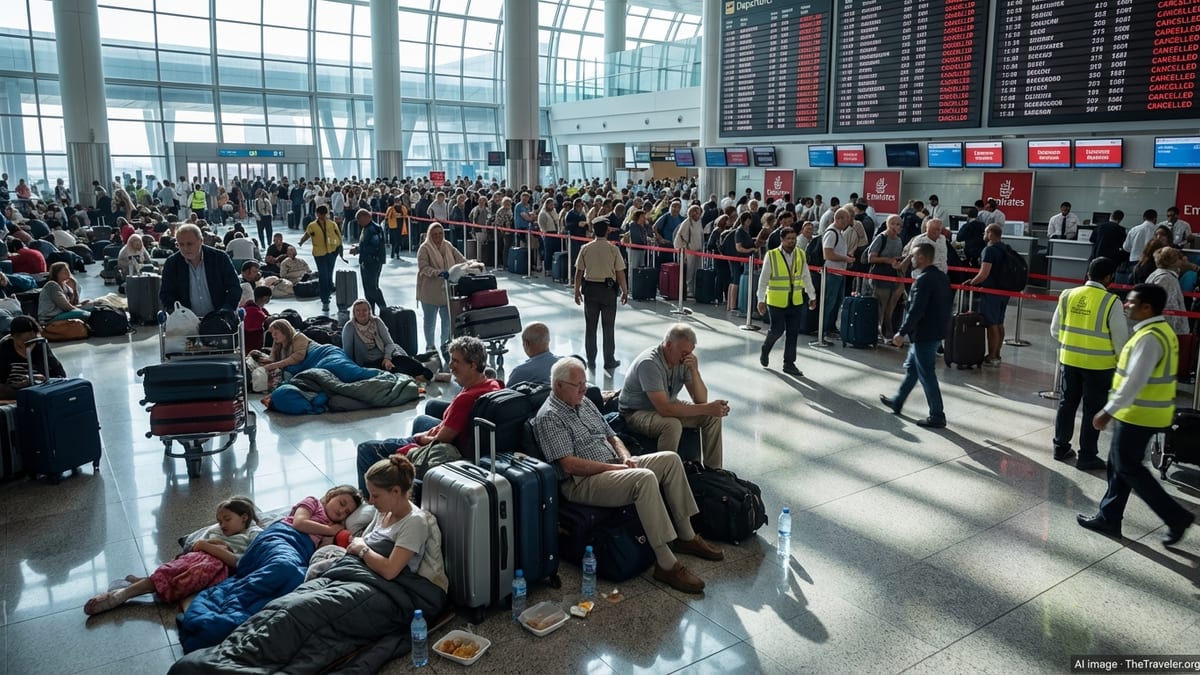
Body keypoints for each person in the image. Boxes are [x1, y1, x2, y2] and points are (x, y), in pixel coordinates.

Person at [533, 358, 722, 594]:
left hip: (613, 465)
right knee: (644, 479)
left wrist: (626, 458)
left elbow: (612, 435)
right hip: (583, 482)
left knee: (670, 461)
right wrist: (616, 469)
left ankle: (686, 534)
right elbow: (569, 465)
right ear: (559, 386)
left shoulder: (584, 403)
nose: (583, 388)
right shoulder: (549, 416)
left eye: (584, 382)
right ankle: (666, 563)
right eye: (577, 384)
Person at [1077, 284, 1195, 546]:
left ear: (1147, 307)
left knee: (1128, 467)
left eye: (1131, 302)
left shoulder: (1149, 337)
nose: (1127, 306)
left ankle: (1176, 516)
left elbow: (1135, 381)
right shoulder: (1159, 331)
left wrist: (1107, 412)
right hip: (1143, 413)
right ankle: (1109, 517)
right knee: (1119, 465)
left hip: (1138, 414)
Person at [355, 336, 502, 490]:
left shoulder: (466, 399)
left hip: (452, 447)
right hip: (464, 436)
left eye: (456, 361)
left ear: (473, 365)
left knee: (366, 448)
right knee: (421, 420)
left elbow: (442, 439)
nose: (450, 366)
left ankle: (372, 501)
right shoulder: (492, 384)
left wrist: (419, 438)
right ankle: (413, 475)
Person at [84, 496, 262, 615]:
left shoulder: (250, 534)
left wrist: (210, 547)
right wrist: (205, 544)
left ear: (244, 517)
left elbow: (239, 562)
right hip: (196, 558)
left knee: (198, 576)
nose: (222, 524)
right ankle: (121, 595)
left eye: (227, 519)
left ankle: (144, 585)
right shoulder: (215, 531)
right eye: (219, 520)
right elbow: (194, 546)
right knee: (169, 571)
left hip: (217, 567)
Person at [1050, 257, 1128, 470]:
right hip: (1099, 366)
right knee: (1092, 410)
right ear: (1108, 277)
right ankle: (1087, 456)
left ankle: (1060, 447)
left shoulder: (1067, 295)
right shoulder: (1112, 301)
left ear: (1088, 274)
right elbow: (1120, 339)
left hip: (1069, 361)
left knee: (1067, 404)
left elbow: (1055, 330)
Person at [619, 324, 727, 468]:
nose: (686, 357)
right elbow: (665, 410)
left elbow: (701, 400)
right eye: (683, 353)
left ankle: (714, 472)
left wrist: (695, 371)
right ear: (669, 345)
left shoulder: (684, 360)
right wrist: (706, 408)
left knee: (712, 416)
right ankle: (667, 472)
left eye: (690, 353)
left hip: (667, 403)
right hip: (636, 412)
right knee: (672, 425)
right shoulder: (649, 363)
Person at [880, 243, 951, 428]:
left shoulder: (924, 280)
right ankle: (898, 401)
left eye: (913, 256)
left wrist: (901, 332)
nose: (910, 259)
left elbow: (916, 310)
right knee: (913, 369)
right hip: (935, 332)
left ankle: (937, 414)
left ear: (921, 257)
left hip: (924, 334)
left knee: (926, 373)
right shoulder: (942, 277)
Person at [347, 455, 430, 580]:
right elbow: (362, 540)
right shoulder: (384, 512)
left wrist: (362, 549)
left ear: (395, 491)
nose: (370, 501)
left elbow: (390, 571)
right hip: (362, 569)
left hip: (383, 584)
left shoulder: (414, 522)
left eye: (375, 496)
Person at [756, 227, 816, 376]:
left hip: (795, 300)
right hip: (776, 300)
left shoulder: (801, 254)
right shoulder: (772, 255)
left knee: (793, 333)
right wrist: (760, 299)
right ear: (782, 240)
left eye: (794, 238)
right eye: (789, 239)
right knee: (777, 330)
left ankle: (789, 363)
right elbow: (763, 280)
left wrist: (812, 296)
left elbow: (806, 276)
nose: (792, 241)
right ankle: (766, 348)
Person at [574, 218, 628, 372]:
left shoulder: (585, 248)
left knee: (590, 327)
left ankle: (591, 360)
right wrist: (625, 290)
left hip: (590, 289)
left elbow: (579, 273)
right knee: (608, 327)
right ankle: (609, 360)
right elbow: (620, 273)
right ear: (607, 231)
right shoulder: (613, 249)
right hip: (608, 290)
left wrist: (576, 291)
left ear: (593, 230)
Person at [341, 299, 434, 381]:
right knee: (396, 373)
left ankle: (429, 374)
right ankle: (416, 377)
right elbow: (348, 352)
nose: (361, 313)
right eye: (358, 310)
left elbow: (389, 342)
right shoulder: (349, 327)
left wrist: (387, 358)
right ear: (354, 312)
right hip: (367, 362)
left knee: (417, 367)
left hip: (385, 355)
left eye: (364, 310)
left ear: (369, 311)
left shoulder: (376, 321)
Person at [160, 224, 241, 317]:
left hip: (220, 319)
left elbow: (234, 287)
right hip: (185, 322)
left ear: (201, 241)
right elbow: (166, 294)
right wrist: (177, 313)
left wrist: (227, 309)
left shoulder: (220, 258)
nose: (185, 248)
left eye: (189, 244)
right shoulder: (172, 263)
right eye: (181, 244)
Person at [964, 224, 1011, 367]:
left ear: (990, 234)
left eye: (985, 232)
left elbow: (984, 273)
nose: (983, 235)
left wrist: (972, 282)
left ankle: (992, 356)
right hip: (1004, 291)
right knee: (999, 322)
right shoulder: (1005, 248)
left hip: (991, 291)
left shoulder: (989, 250)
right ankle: (997, 354)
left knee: (991, 324)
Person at [416, 222, 465, 354]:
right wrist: (437, 272)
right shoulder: (424, 248)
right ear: (430, 235)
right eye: (435, 234)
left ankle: (445, 345)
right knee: (430, 321)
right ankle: (430, 346)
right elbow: (423, 267)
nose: (438, 236)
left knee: (447, 321)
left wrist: (469, 265)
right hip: (429, 292)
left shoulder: (448, 245)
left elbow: (460, 258)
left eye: (440, 233)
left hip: (446, 292)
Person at [0, 316, 65, 398]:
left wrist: (41, 378)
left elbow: (60, 375)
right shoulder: (5, 348)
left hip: (40, 389)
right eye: (25, 342)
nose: (29, 347)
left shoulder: (41, 345)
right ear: (14, 337)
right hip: (14, 391)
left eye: (32, 342)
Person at [867, 215, 907, 340]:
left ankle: (886, 331)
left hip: (893, 276)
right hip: (880, 277)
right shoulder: (881, 238)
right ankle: (876, 331)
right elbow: (871, 258)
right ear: (888, 224)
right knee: (880, 306)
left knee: (890, 307)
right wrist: (888, 260)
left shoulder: (899, 240)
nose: (897, 227)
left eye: (899, 224)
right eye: (894, 224)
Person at [298, 204, 344, 313]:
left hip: (332, 252)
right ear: (317, 214)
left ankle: (328, 291)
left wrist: (340, 248)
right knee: (323, 275)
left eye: (324, 214)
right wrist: (301, 241)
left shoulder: (332, 224)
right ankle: (325, 299)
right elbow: (307, 234)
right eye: (320, 214)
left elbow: (339, 236)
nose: (322, 216)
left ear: (327, 214)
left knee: (328, 274)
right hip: (319, 254)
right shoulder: (312, 226)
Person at [285, 485, 363, 549]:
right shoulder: (313, 502)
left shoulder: (336, 527)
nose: (341, 511)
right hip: (288, 535)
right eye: (341, 503)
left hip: (304, 550)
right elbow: (299, 523)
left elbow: (321, 550)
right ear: (331, 495)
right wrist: (330, 530)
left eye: (347, 512)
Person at [820, 208, 855, 337]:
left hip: (839, 272)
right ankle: (822, 329)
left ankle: (830, 327)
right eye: (846, 220)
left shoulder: (839, 233)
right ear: (839, 219)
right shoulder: (831, 233)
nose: (848, 223)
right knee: (829, 302)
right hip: (832, 273)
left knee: (836, 302)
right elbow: (827, 254)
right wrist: (845, 258)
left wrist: (846, 255)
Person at [1146, 247, 1194, 336]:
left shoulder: (1157, 274)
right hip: (1168, 331)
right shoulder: (1167, 279)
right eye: (1179, 258)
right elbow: (1170, 306)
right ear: (1173, 261)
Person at [349, 209, 388, 314]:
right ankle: (371, 311)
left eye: (359, 219)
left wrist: (358, 250)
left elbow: (374, 247)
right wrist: (358, 247)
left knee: (372, 288)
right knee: (368, 289)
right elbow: (365, 244)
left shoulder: (374, 229)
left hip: (373, 262)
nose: (358, 222)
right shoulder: (366, 228)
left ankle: (384, 308)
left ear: (366, 217)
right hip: (366, 261)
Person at [506, 321, 558, 386]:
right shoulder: (564, 364)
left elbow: (505, 395)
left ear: (526, 343)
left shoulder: (520, 372)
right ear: (549, 340)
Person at [673, 204, 705, 299]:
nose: (697, 214)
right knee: (689, 272)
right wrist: (685, 247)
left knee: (697, 270)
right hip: (690, 251)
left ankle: (696, 290)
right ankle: (688, 290)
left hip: (698, 251)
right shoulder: (687, 222)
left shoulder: (699, 222)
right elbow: (681, 236)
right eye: (695, 212)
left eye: (698, 212)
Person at [241, 286, 272, 353]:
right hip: (253, 349)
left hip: (246, 347)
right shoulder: (257, 313)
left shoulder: (247, 308)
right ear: (265, 298)